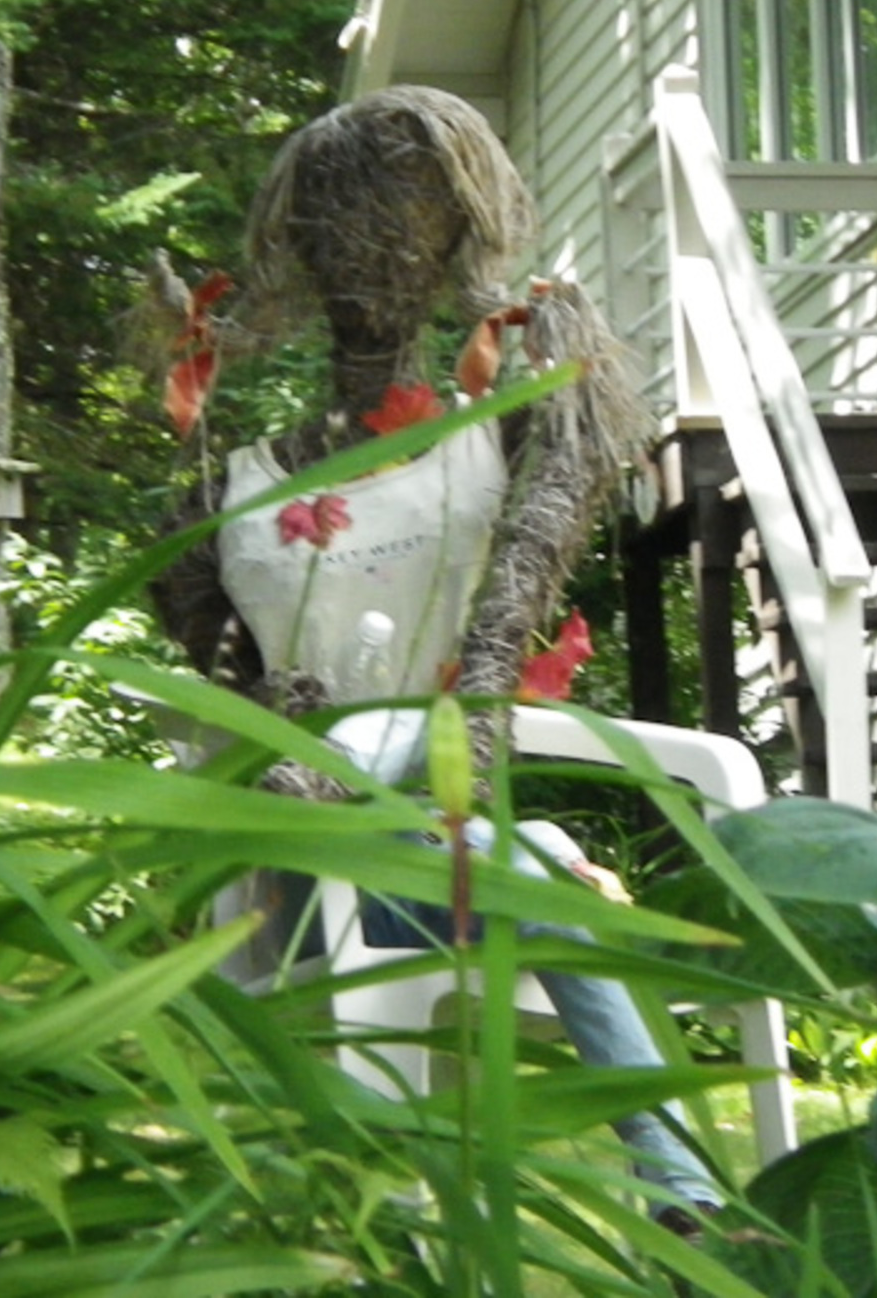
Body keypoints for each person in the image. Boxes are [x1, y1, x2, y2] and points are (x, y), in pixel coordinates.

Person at [148, 86, 722, 1228]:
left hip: (447, 839)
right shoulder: (229, 489)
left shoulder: (495, 439)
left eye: (409, 211)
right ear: (300, 245)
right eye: (341, 219)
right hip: (299, 863)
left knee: (527, 861)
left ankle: (666, 1189)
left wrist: (560, 356)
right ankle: (678, 1185)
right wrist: (271, 719)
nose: (375, 247)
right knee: (537, 861)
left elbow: (528, 574)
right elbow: (220, 697)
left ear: (455, 228)